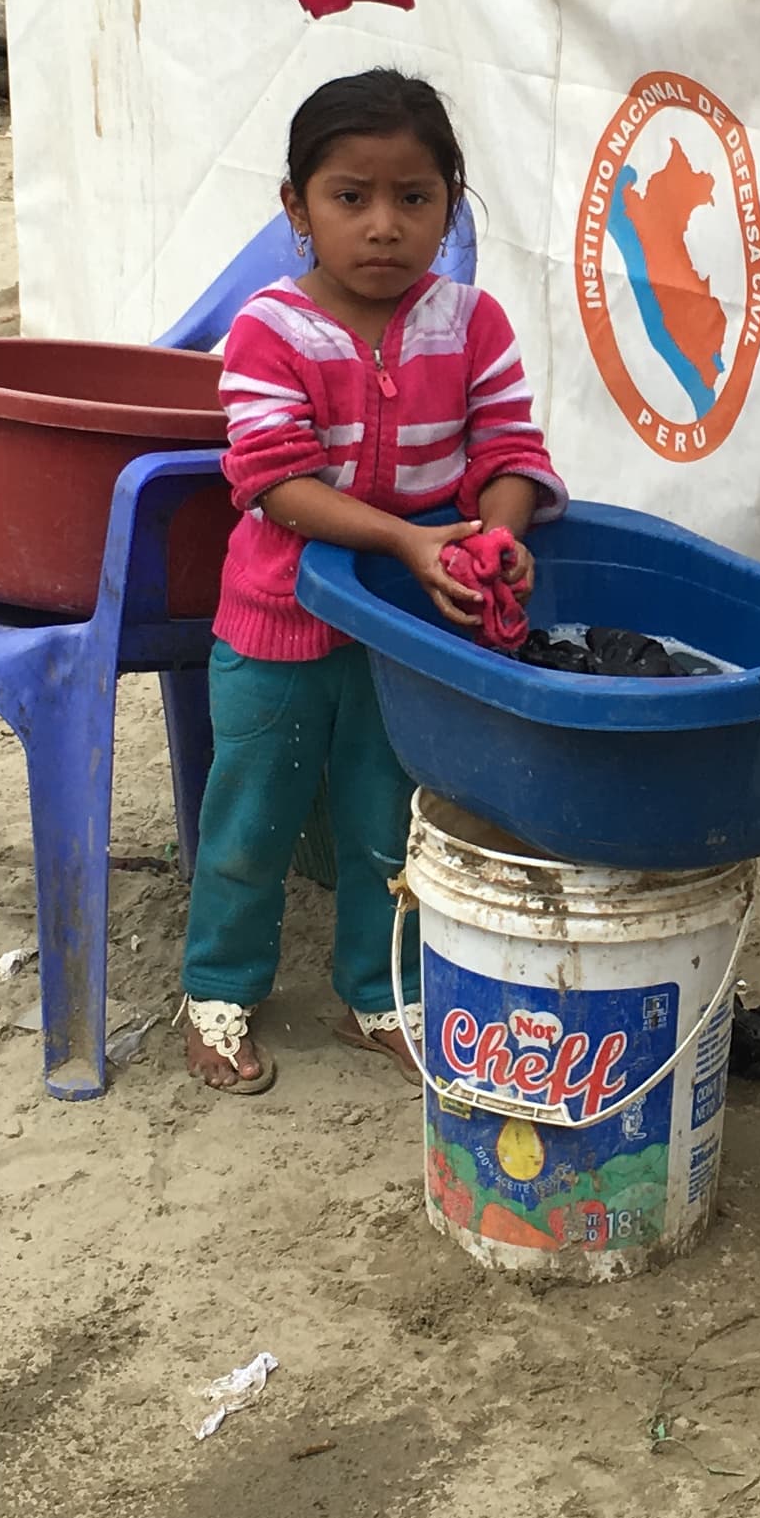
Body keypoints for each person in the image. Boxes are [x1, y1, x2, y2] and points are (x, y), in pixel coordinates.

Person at [178, 70, 561, 1095]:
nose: (384, 225)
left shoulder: (471, 325)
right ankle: (218, 988)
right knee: (251, 817)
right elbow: (272, 480)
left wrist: (502, 531)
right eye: (351, 197)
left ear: (450, 206)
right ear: (296, 209)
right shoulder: (269, 331)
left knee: (388, 822)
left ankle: (377, 991)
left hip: (407, 633)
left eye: (415, 198)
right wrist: (408, 538)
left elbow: (510, 451)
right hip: (278, 625)